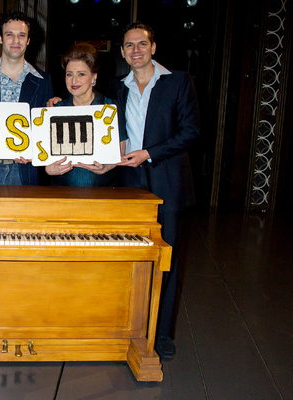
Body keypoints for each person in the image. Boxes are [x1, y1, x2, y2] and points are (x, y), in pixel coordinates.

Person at [107, 22, 200, 359]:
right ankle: (132, 327)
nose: (136, 50)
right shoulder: (119, 88)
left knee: (166, 260)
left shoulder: (177, 81)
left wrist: (148, 153)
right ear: (122, 51)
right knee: (134, 259)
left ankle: (162, 333)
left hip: (167, 181)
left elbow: (191, 132)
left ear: (153, 47)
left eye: (142, 44)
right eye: (129, 45)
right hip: (130, 184)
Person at [0, 10, 53, 185]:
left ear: (28, 40)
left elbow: (46, 131)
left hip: (24, 171)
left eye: (22, 35)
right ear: (0, 38)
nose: (16, 41)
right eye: (10, 35)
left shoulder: (44, 82)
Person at [44, 43, 127, 187]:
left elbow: (119, 151)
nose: (74, 81)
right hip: (61, 193)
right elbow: (44, 155)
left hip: (102, 193)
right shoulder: (55, 109)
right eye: (69, 74)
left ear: (94, 77)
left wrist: (106, 167)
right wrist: (48, 169)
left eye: (81, 74)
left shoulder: (110, 108)